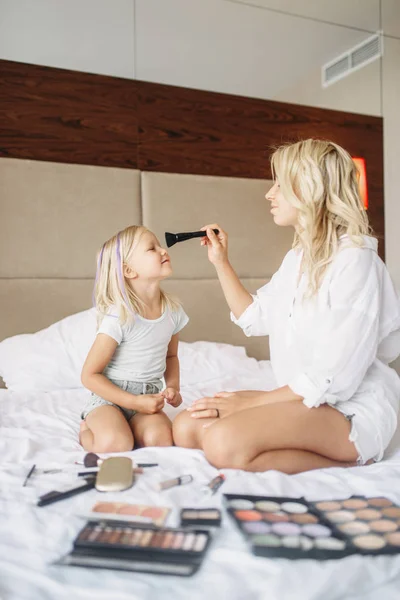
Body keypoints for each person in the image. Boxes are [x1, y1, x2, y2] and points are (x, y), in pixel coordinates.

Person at [173, 139, 400, 474]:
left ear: (310, 189)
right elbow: (255, 316)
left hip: (349, 409)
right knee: (186, 427)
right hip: (303, 400)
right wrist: (221, 262)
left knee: (223, 442)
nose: (270, 193)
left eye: (280, 183)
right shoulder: (297, 259)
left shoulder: (356, 260)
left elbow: (334, 376)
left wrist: (252, 401)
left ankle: (357, 457)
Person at [80, 225, 188, 453]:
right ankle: (85, 432)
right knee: (115, 444)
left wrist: (173, 387)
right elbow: (89, 375)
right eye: (152, 248)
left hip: (148, 396)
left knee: (161, 440)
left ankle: (129, 426)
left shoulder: (173, 311)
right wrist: (133, 402)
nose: (162, 250)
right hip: (110, 398)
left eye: (159, 245)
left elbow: (171, 355)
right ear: (129, 270)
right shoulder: (119, 316)